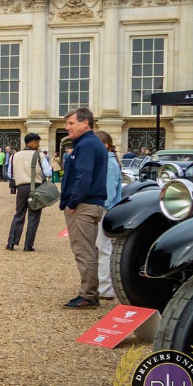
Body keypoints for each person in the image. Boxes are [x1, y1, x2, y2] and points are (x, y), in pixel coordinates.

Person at [59, 107, 109, 309]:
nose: (67, 127)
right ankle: (91, 292)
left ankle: (88, 295)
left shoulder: (86, 145)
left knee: (84, 251)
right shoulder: (91, 143)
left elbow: (84, 176)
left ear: (85, 122)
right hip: (90, 203)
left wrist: (72, 203)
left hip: (84, 205)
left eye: (71, 123)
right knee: (88, 250)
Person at [6, 133, 52, 251]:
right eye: (38, 142)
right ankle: (28, 245)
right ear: (34, 142)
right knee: (34, 215)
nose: (38, 145)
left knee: (19, 214)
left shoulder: (14, 156)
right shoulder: (39, 155)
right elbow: (48, 172)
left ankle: (11, 243)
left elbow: (10, 174)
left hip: (21, 188)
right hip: (36, 187)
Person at [94, 131, 122, 303]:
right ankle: (102, 285)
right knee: (101, 248)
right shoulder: (108, 162)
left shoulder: (109, 165)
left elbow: (109, 193)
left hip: (105, 210)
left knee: (104, 248)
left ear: (105, 145)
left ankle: (105, 288)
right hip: (105, 208)